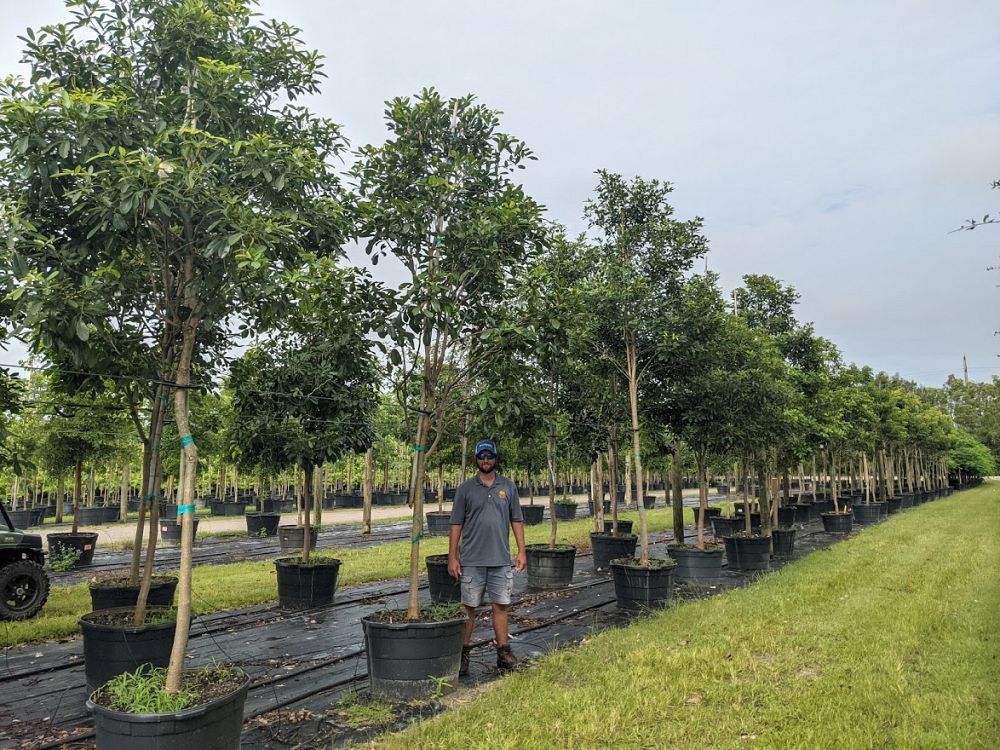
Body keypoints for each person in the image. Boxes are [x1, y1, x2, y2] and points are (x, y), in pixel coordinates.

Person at [448, 438, 527, 675]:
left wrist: (522, 550)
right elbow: (455, 524)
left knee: (501, 606)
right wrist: (453, 556)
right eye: (481, 456)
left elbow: (517, 520)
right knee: (468, 608)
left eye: (489, 456)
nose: (485, 460)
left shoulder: (508, 487)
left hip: (501, 559)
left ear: (495, 459)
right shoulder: (465, 489)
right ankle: (462, 655)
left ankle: (504, 652)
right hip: (471, 560)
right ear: (475, 459)